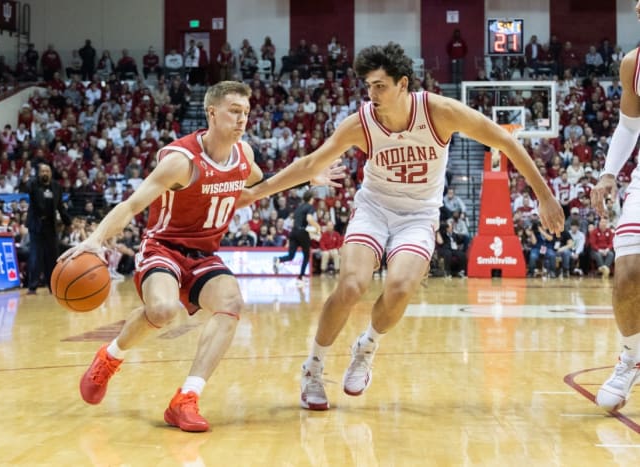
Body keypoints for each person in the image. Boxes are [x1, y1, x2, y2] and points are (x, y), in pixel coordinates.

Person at [239, 42, 564, 410]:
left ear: (403, 84)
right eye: (368, 86)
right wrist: (258, 192)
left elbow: (504, 140)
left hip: (419, 215)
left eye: (380, 86)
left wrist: (545, 195)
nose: (372, 93)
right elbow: (311, 162)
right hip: (374, 209)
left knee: (401, 286)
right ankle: (313, 367)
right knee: (350, 285)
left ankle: (366, 347)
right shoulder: (361, 122)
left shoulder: (439, 111)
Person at [58, 81, 341, 431]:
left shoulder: (244, 156)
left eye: (246, 113)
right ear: (211, 113)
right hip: (164, 247)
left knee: (232, 304)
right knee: (162, 311)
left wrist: (305, 178)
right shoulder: (181, 162)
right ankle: (110, 357)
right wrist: (95, 241)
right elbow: (132, 204)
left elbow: (255, 187)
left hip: (205, 253)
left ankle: (186, 398)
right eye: (234, 111)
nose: (242, 120)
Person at [591, 1, 640, 411]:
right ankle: (629, 358)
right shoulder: (633, 63)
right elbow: (629, 126)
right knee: (627, 273)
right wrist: (609, 172)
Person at [19, 163, 71, 294]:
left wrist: (68, 222)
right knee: (35, 256)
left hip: (50, 226)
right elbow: (26, 187)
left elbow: (60, 206)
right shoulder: (34, 184)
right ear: (38, 173)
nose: (45, 173)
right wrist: (25, 178)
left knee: (52, 257)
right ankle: (32, 286)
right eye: (42, 171)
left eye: (47, 171)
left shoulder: (56, 187)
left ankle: (52, 286)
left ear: (51, 173)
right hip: (36, 226)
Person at [273, 190, 321, 285]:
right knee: (306, 256)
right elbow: (309, 219)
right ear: (311, 198)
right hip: (302, 232)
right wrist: (317, 227)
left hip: (293, 232)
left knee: (291, 256)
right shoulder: (310, 207)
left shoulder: (299, 207)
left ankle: (279, 259)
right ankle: (301, 277)